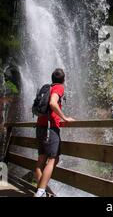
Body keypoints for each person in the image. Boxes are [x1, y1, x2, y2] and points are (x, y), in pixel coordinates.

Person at [34, 68, 75, 197]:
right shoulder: (59, 88)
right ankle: (40, 192)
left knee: (41, 160)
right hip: (50, 128)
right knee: (52, 160)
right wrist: (64, 117)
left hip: (40, 127)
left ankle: (43, 190)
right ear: (63, 79)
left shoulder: (47, 88)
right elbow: (52, 103)